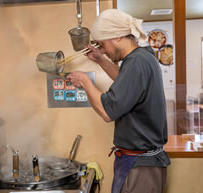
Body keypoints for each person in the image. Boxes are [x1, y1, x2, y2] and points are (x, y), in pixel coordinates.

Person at [67, 9, 170, 193]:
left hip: (141, 166)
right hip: (143, 162)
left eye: (102, 45)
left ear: (117, 37)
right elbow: (126, 83)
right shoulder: (143, 58)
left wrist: (84, 81)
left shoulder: (136, 62)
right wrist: (100, 60)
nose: (103, 50)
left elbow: (108, 112)